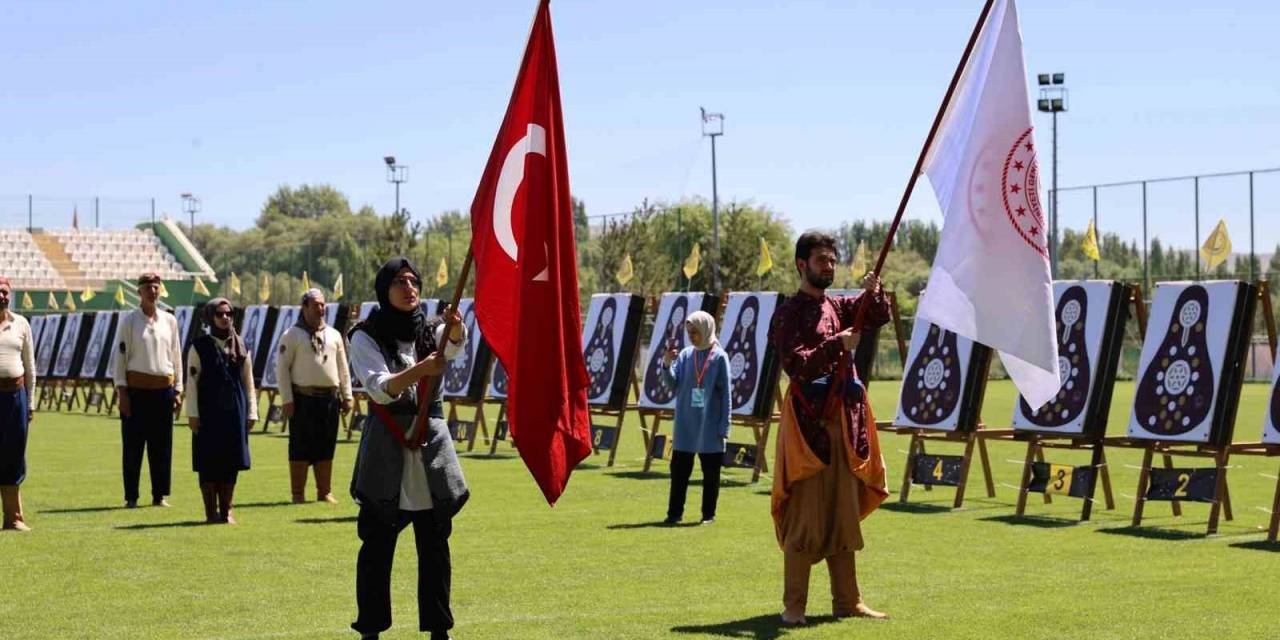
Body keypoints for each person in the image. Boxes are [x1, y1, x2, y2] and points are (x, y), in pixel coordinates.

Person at [767, 231, 892, 625]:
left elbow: (876, 314)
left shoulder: (837, 305)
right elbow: (797, 364)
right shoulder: (788, 313)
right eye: (822, 259)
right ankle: (794, 607)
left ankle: (848, 601)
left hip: (844, 423)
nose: (829, 266)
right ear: (802, 264)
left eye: (833, 260)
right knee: (805, 516)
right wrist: (837, 345)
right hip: (809, 429)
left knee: (843, 512)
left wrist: (876, 290)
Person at [348, 257, 469, 640]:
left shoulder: (432, 328)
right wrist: (421, 369)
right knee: (376, 550)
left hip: (430, 451)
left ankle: (439, 629)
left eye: (413, 280)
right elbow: (380, 386)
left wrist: (456, 330)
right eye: (399, 281)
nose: (409, 287)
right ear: (385, 289)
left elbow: (451, 350)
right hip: (387, 451)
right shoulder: (364, 335)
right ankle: (371, 629)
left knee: (435, 548)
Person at [113, 272, 184, 508]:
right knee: (133, 446)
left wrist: (178, 389)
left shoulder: (169, 321)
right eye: (148, 287)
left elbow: (176, 356)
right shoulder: (130, 321)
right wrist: (122, 392)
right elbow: (120, 358)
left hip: (163, 390)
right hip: (136, 390)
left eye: (156, 287)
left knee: (161, 446)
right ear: (139, 292)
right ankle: (131, 496)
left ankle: (159, 495)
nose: (153, 291)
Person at [183, 298, 257, 524]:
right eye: (220, 314)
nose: (225, 318)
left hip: (235, 411)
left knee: (230, 461)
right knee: (208, 461)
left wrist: (252, 412)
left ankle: (227, 511)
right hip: (207, 411)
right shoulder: (199, 346)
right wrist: (192, 414)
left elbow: (248, 382)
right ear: (210, 317)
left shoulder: (241, 345)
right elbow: (192, 383)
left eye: (229, 314)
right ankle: (210, 512)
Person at [278, 288, 353, 503]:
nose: (321, 308)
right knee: (300, 445)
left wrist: (347, 395)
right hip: (302, 399)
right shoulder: (292, 335)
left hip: (329, 400)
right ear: (305, 308)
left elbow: (342, 368)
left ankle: (324, 491)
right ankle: (298, 493)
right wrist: (287, 400)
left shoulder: (334, 335)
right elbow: (282, 369)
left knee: (326, 445)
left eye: (323, 304)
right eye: (316, 305)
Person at [659, 310, 731, 525]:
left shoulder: (720, 357)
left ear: (706, 330)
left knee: (710, 475)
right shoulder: (685, 355)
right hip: (685, 425)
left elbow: (726, 395)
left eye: (696, 332)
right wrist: (666, 363)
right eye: (689, 332)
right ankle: (674, 514)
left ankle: (708, 515)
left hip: (710, 426)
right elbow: (672, 384)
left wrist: (724, 427)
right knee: (679, 473)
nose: (692, 336)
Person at [0, 277, 35, 531]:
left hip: (16, 397)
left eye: (4, 292)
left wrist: (30, 402)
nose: (1, 296)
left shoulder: (21, 324)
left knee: (13, 454)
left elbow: (30, 367)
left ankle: (13, 518)